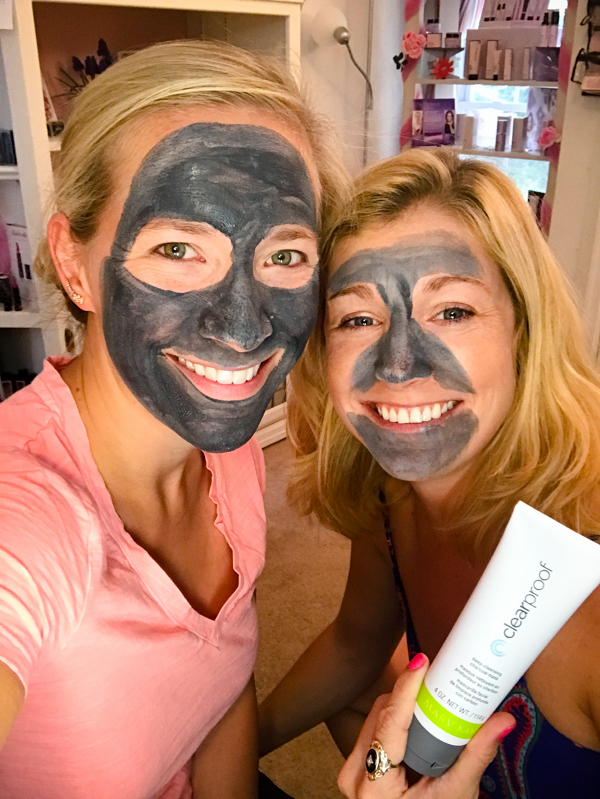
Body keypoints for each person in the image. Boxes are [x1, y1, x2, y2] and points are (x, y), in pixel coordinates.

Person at [0, 39, 346, 799]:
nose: (245, 326)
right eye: (179, 248)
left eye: (285, 256)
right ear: (74, 262)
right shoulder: (24, 517)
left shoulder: (225, 449)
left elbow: (218, 688)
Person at [258, 148, 600, 797]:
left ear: (524, 331)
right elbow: (356, 646)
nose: (398, 364)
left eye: (452, 311)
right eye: (359, 318)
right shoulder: (393, 496)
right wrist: (233, 749)